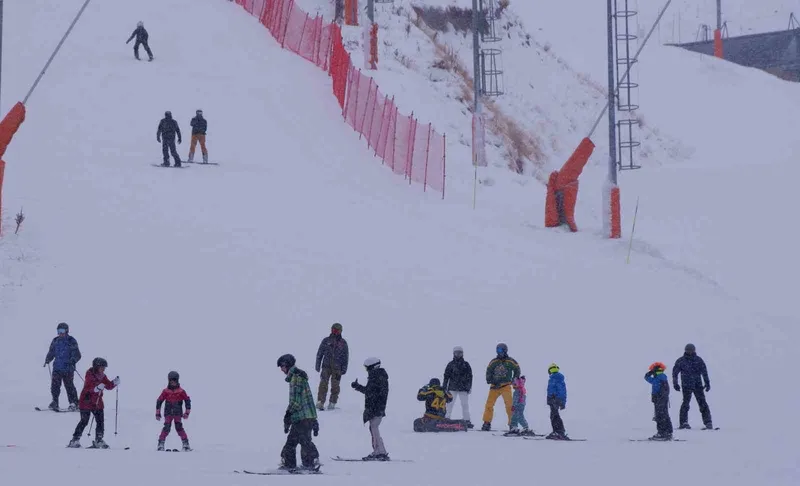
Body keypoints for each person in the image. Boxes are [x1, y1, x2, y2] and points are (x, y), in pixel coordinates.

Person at [277, 354, 320, 471]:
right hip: (305, 416)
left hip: (302, 417)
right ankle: (305, 462)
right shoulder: (299, 376)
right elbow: (307, 400)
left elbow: (295, 402)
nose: (281, 370)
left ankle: (306, 464)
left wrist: (288, 414)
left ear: (287, 365)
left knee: (298, 442)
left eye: (282, 367)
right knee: (300, 440)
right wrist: (313, 419)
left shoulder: (295, 378)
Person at [67, 358, 120, 448]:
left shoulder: (103, 376)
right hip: (86, 401)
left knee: (100, 421)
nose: (103, 369)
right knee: (84, 421)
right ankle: (75, 440)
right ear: (96, 367)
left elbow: (108, 386)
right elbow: (88, 387)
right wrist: (96, 388)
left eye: (104, 368)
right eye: (102, 367)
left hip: (97, 402)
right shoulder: (89, 374)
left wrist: (114, 382)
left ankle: (98, 440)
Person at [351, 357, 389, 460]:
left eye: (367, 368)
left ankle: (380, 452)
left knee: (374, 428)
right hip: (375, 408)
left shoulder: (378, 378)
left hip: (376, 408)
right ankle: (380, 451)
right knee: (373, 428)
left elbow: (373, 393)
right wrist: (357, 386)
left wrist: (375, 406)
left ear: (372, 367)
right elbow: (369, 391)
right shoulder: (377, 377)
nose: (366, 370)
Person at [481, 342, 520, 431]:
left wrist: (514, 379)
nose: (499, 352)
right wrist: (490, 380)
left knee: (509, 405)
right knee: (489, 405)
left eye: (501, 350)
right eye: (498, 350)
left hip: (505, 386)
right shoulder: (494, 362)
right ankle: (486, 422)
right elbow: (488, 371)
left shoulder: (510, 361)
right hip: (494, 386)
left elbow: (517, 369)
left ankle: (512, 424)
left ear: (505, 351)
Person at [673, 343, 713, 430]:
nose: (690, 352)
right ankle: (683, 423)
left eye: (691, 350)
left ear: (694, 350)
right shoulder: (681, 361)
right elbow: (675, 373)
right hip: (686, 386)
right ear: (685, 350)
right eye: (688, 350)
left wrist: (707, 383)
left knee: (702, 403)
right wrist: (675, 383)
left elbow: (704, 372)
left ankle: (708, 422)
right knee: (685, 403)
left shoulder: (699, 360)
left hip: (698, 385)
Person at [43, 322, 81, 411]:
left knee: (69, 386)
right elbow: (51, 351)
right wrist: (48, 359)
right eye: (58, 331)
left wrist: (73, 360)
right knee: (55, 386)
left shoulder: (71, 340)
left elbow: (77, 354)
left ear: (67, 331)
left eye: (62, 330)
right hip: (57, 367)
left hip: (68, 368)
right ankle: (55, 402)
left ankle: (74, 403)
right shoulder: (55, 340)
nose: (60, 333)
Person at [315, 323, 349, 410]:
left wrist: (344, 368)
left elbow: (345, 357)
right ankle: (320, 402)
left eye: (337, 330)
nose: (335, 332)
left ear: (341, 331)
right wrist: (318, 365)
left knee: (335, 386)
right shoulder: (326, 341)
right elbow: (320, 353)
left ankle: (332, 402)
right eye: (334, 330)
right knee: (323, 384)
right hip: (326, 367)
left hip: (337, 369)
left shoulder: (343, 343)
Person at [156, 371, 192, 451]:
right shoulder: (166, 391)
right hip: (168, 413)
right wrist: (157, 413)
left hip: (177, 413)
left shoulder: (181, 391)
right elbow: (159, 401)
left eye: (174, 381)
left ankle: (186, 444)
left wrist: (187, 412)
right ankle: (160, 444)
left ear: (177, 380)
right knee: (166, 428)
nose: (173, 383)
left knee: (179, 428)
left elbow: (187, 401)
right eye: (171, 381)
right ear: (168, 381)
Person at [442, 346, 473, 428]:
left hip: (463, 388)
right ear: (453, 354)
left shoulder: (466, 364)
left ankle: (467, 420)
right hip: (452, 388)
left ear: (462, 354)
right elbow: (446, 376)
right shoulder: (450, 364)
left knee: (465, 405)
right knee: (449, 404)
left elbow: (470, 376)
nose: (458, 354)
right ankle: (446, 418)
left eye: (460, 353)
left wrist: (469, 387)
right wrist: (444, 387)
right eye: (456, 353)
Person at [644, 361, 673, 441]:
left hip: (660, 399)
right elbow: (647, 378)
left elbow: (647, 378)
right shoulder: (661, 377)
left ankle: (662, 433)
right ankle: (668, 432)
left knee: (660, 416)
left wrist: (650, 373)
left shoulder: (658, 378)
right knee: (664, 415)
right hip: (662, 399)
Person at [545, 363, 568, 439]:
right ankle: (558, 431)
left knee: (554, 415)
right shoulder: (558, 378)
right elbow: (562, 391)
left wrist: (553, 398)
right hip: (556, 399)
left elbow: (555, 390)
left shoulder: (554, 378)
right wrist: (562, 401)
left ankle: (559, 432)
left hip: (554, 399)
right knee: (554, 415)